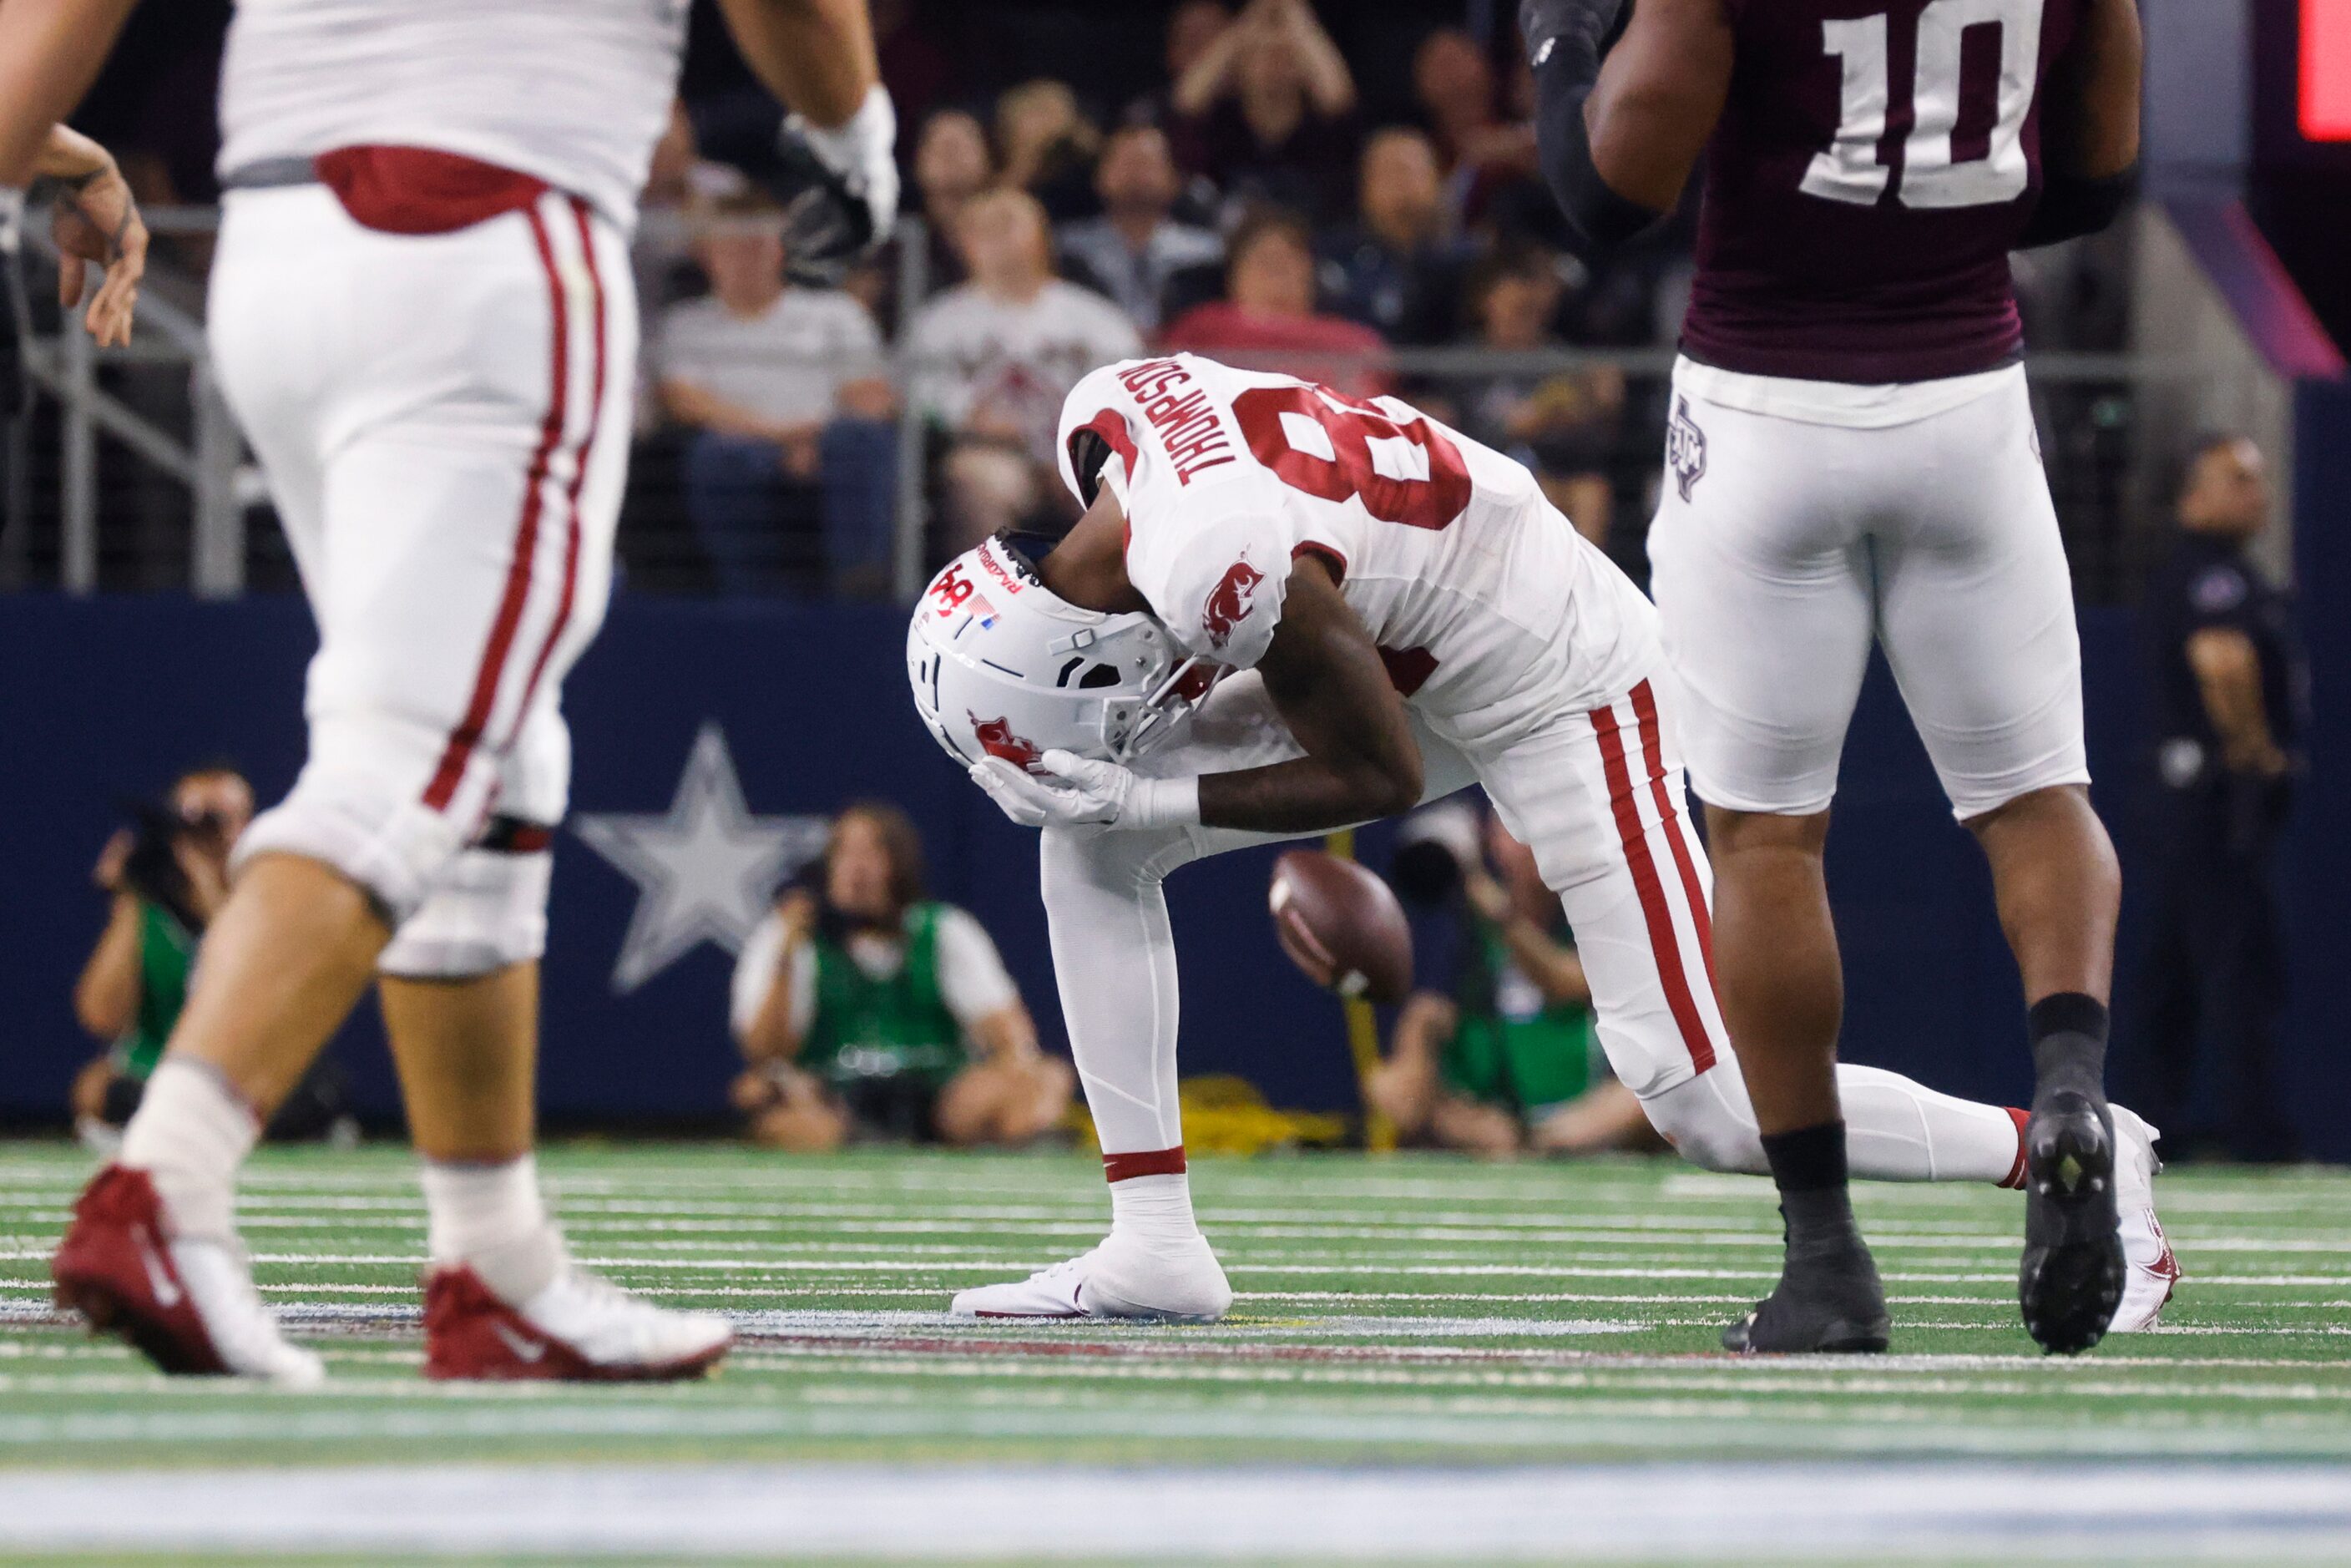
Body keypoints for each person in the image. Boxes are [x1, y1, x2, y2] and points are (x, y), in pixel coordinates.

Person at [906, 350, 2171, 1329]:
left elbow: (1378, 767)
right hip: (1414, 619)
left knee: (1712, 1103)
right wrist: (1119, 807)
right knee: (1082, 845)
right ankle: (1154, 1246)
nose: (1129, 729)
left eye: (1097, 719)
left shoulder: (1212, 573)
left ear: (1079, 655)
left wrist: (1148, 794)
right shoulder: (1103, 425)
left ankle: (2077, 1150)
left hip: (1558, 674)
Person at [34, 0, 900, 1387]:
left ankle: (496, 1266)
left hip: (278, 249)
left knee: (494, 756)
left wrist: (20, 139)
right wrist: (855, 131)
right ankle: (165, 1186)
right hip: (485, 233)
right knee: (416, 755)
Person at [1521, 0, 2148, 1354]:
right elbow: (2093, 180)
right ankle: (2072, 1087)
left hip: (1765, 409)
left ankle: (1825, 1261)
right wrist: (1916, 211)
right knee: (2038, 795)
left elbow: (1607, 195)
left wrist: (1559, 40)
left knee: (1765, 839)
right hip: (1966, 403)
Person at [2128, 434, 2303, 1162]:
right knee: (2237, 965)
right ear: (2192, 493)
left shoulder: (2214, 571)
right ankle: (2254, 1131)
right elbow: (2222, 661)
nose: (2256, 494)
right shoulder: (2214, 579)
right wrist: (2257, 753)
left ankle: (2149, 1119)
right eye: (2237, 479)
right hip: (2215, 800)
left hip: (2183, 802)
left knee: (2173, 965)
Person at [730, 803, 1071, 1150]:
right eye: (844, 853)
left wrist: (1015, 1072)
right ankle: (859, 1142)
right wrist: (785, 956)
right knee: (758, 1093)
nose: (856, 869)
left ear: (900, 865)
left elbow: (1012, 1038)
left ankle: (996, 1141)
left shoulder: (944, 930)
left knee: (1047, 1076)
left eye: (871, 853)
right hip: (838, 1101)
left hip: (937, 1098)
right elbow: (764, 1052)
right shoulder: (789, 938)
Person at [1369, 812, 1658, 1157]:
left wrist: (1500, 914)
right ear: (1494, 843)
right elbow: (1429, 1015)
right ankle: (1512, 1140)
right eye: (1516, 832)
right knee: (1393, 1080)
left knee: (1652, 1092)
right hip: (1494, 1117)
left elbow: (1568, 983)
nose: (1530, 847)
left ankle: (1540, 1142)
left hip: (1583, 1115)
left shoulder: (1589, 915)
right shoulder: (1463, 929)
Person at [658, 188, 895, 597]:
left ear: (781, 249)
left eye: (758, 244)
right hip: (746, 449)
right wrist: (785, 439)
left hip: (828, 444)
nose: (746, 255)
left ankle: (860, 587)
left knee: (860, 439)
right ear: (707, 253)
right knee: (718, 457)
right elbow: (686, 401)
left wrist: (815, 440)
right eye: (732, 244)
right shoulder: (686, 324)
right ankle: (755, 598)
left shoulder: (835, 313)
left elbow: (871, 395)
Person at [907, 187, 1141, 553]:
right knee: (977, 482)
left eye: (1008, 226)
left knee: (1122, 486)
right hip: (992, 452)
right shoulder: (941, 320)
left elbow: (1131, 388)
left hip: (1083, 453)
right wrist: (966, 416)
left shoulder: (1094, 318)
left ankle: (1114, 606)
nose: (998, 241)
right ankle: (989, 601)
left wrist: (1079, 450)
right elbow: (918, 390)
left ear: (1041, 236)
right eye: (985, 230)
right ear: (964, 244)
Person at [1450, 244, 1621, 544]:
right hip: (1486, 476)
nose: (1526, 320)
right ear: (1486, 302)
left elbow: (1591, 449)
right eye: (1517, 310)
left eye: (1533, 312)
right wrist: (1510, 428)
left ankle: (1579, 589)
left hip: (1552, 469)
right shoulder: (1461, 363)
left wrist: (1579, 416)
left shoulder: (1559, 362)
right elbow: (1452, 432)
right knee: (1539, 492)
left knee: (1590, 491)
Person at [1160, 208, 1387, 397]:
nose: (1277, 272)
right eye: (1265, 261)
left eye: (1288, 261)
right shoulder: (1200, 330)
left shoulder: (1356, 343)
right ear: (1234, 277)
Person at [1170, 0, 1359, 224]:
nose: (1274, 63)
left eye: (1287, 55)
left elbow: (1338, 97)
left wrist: (1299, 21)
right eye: (1261, 54)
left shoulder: (1320, 124)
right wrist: (1245, 25)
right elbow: (1187, 100)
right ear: (1239, 67)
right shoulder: (1224, 121)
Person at [1057, 124, 1223, 333]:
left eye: (1147, 164)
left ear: (1174, 179)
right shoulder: (1067, 249)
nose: (1135, 174)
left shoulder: (1208, 253)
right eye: (1125, 164)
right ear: (1100, 177)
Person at [1317, 127, 1471, 348]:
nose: (1401, 182)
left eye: (1411, 170)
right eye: (1389, 171)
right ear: (1365, 185)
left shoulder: (1468, 263)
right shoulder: (1334, 259)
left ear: (1437, 180)